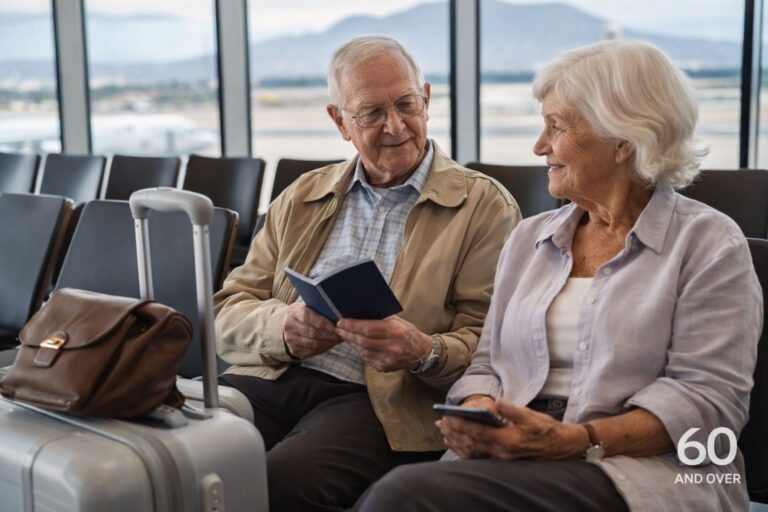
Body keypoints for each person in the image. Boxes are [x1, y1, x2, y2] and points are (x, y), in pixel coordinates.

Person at [352, 40, 763, 512]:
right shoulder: (530, 239)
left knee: (404, 495)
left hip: (642, 472)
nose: (539, 146)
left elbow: (707, 402)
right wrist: (477, 409)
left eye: (557, 126)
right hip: (518, 456)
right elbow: (487, 365)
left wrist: (572, 438)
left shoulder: (709, 244)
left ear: (624, 139)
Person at [213, 35, 520, 511]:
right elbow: (227, 312)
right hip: (271, 376)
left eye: (406, 104)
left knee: (281, 482)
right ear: (340, 122)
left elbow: (495, 345)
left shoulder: (483, 207)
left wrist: (424, 351)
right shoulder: (302, 195)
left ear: (428, 101)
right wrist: (283, 329)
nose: (395, 125)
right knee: (188, 458)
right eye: (371, 113)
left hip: (380, 399)